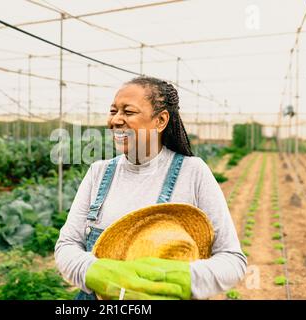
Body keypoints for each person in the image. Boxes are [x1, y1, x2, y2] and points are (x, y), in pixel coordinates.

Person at [54, 76, 247, 300]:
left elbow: (233, 260)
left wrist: (183, 279)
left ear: (161, 120)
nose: (116, 120)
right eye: (113, 111)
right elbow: (66, 245)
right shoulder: (99, 172)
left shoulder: (192, 172)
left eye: (128, 112)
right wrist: (92, 271)